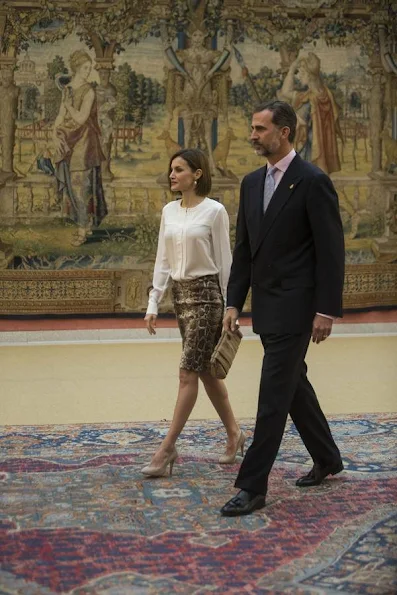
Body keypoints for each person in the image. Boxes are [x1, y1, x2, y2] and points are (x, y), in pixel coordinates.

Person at [220, 100, 345, 517]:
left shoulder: (312, 180)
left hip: (298, 307)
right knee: (294, 386)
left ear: (285, 132)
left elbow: (331, 251)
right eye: (252, 128)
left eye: (260, 129)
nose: (252, 135)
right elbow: (244, 250)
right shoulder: (251, 183)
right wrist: (234, 301)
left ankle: (253, 486)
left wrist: (326, 309)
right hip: (265, 308)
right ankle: (327, 457)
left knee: (273, 396)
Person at [143, 148, 244, 476]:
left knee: (188, 372)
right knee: (205, 372)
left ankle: (166, 449)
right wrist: (153, 303)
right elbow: (163, 260)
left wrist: (232, 306)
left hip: (207, 299)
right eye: (171, 170)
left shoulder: (215, 211)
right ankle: (235, 434)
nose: (172, 175)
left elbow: (226, 262)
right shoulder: (168, 211)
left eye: (179, 169)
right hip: (180, 299)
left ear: (197, 173)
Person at [52, 50, 107, 247]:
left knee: (80, 187)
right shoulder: (67, 89)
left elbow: (81, 119)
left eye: (89, 68)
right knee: (74, 186)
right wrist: (53, 135)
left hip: (85, 142)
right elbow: (60, 116)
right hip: (69, 141)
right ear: (76, 68)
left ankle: (83, 230)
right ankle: (85, 224)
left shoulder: (89, 91)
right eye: (85, 68)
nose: (88, 71)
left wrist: (68, 106)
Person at [278, 52, 342, 175]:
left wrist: (291, 69)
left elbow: (285, 92)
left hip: (309, 153)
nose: (300, 77)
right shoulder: (326, 94)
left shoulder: (308, 99)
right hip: (321, 156)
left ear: (309, 75)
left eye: (302, 73)